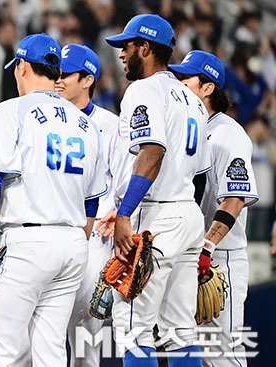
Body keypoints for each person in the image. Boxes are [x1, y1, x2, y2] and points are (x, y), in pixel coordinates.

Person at [0, 33, 106, 366]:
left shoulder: (13, 110)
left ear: (22, 67)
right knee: (50, 349)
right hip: (73, 242)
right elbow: (92, 202)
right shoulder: (87, 125)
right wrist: (74, 247)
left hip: (29, 241)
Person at [104, 14, 210, 366]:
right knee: (180, 328)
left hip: (158, 214)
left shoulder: (144, 90)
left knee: (133, 322)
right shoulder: (191, 98)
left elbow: (153, 152)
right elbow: (200, 173)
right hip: (187, 212)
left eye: (127, 46)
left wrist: (124, 213)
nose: (121, 54)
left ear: (145, 48)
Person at [169, 50, 258, 367]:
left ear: (208, 88)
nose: (177, 83)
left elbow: (235, 198)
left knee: (221, 357)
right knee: (177, 351)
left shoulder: (227, 133)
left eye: (185, 78)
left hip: (219, 258)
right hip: (185, 256)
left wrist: (207, 247)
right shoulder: (183, 129)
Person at [56, 43, 120, 367]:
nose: (58, 79)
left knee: (83, 338)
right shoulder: (47, 120)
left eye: (66, 74)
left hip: (96, 237)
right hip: (52, 233)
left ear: (87, 79)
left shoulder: (111, 126)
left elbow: (123, 184)